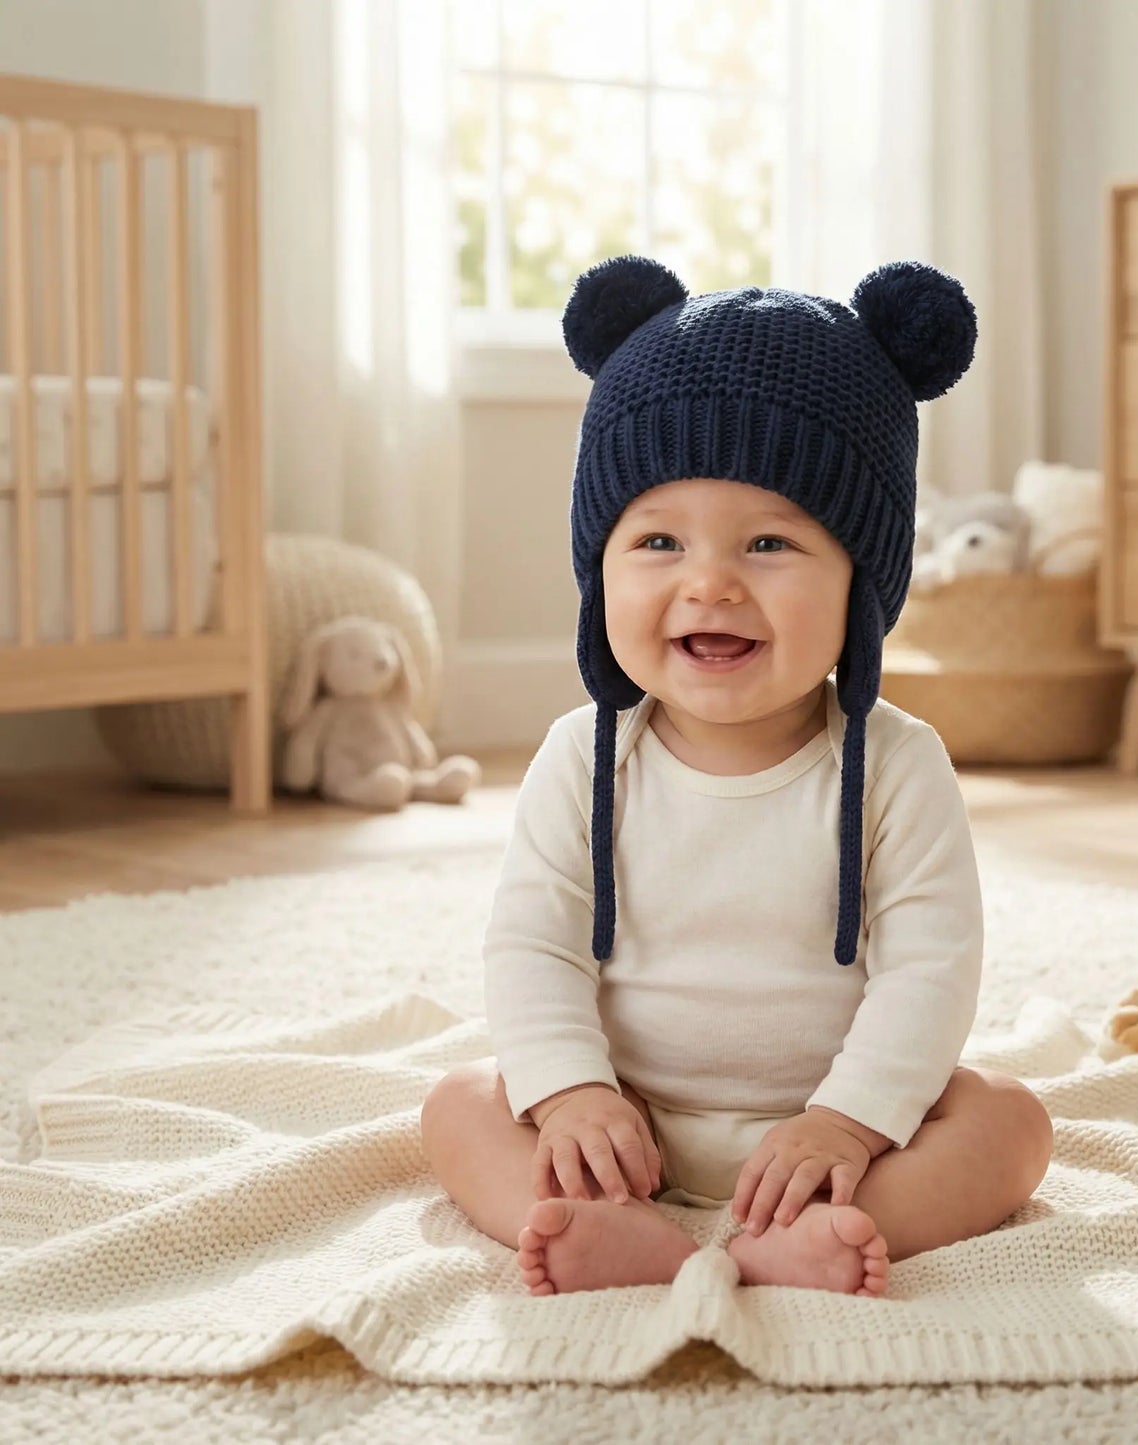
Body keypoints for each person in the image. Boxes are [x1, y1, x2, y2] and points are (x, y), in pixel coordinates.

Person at [420, 255, 1053, 1298]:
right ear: (600, 568)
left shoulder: (897, 765)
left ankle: (811, 1235)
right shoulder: (581, 758)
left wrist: (847, 1116)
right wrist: (572, 1092)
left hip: (837, 1132)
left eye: (767, 542)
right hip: (626, 1124)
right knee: (457, 1102)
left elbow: (929, 968)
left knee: (1011, 1123)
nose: (706, 580)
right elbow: (531, 941)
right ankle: (615, 1226)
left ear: (862, 583)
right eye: (657, 539)